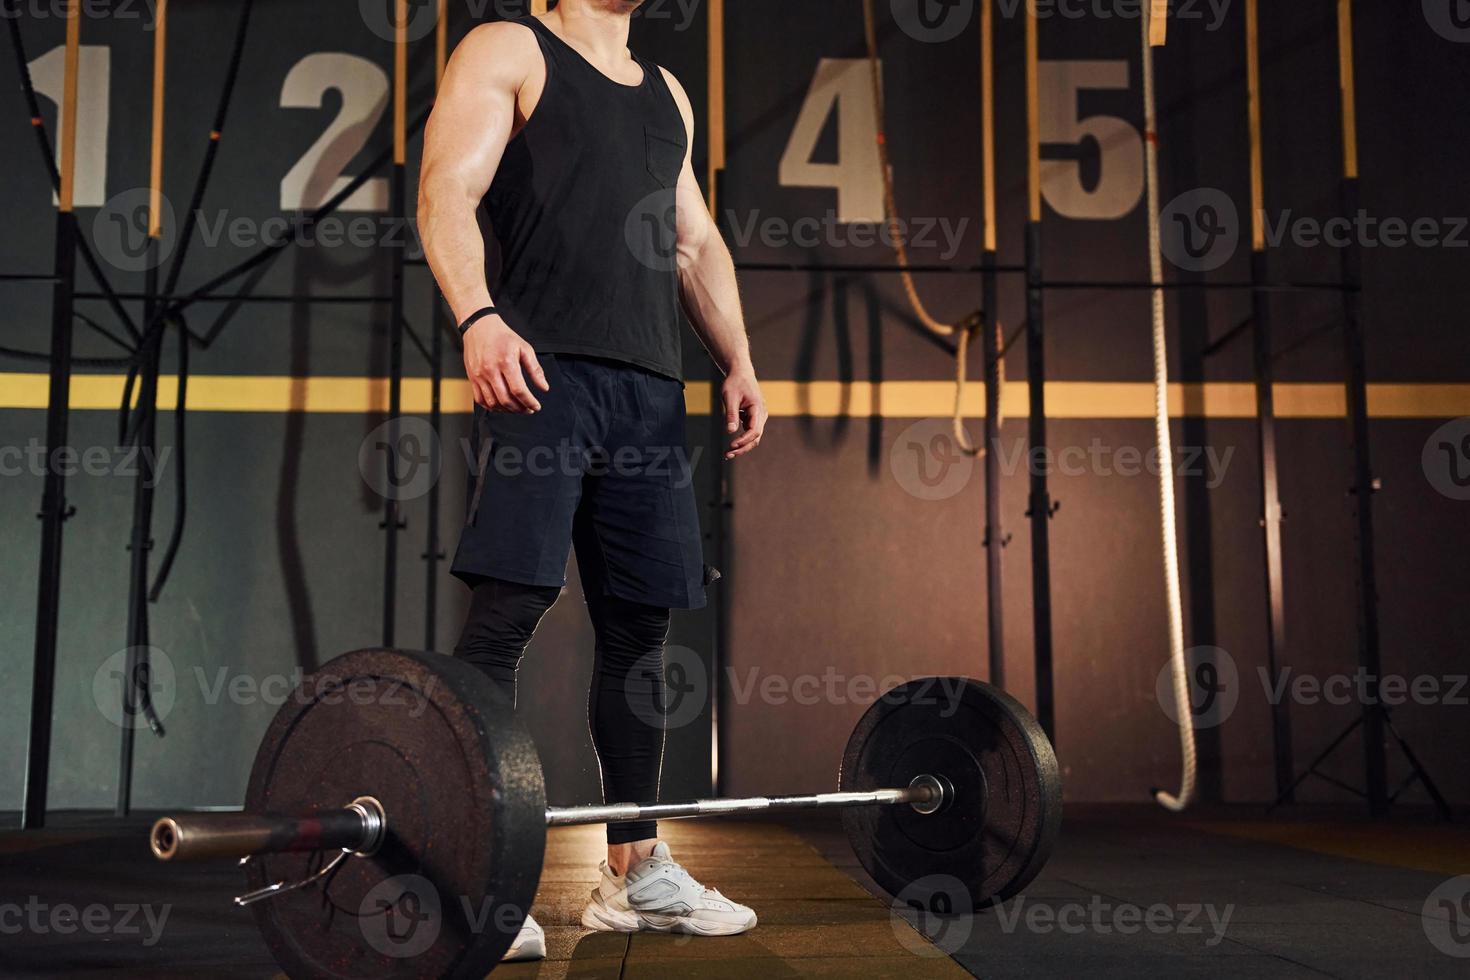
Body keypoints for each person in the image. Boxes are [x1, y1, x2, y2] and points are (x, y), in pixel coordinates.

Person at [418, 0, 767, 961]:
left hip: (650, 384)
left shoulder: (667, 94)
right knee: (507, 612)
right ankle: (473, 870)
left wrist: (736, 359)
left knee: (642, 630)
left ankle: (637, 869)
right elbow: (445, 189)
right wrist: (478, 315)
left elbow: (693, 242)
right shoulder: (508, 48)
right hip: (544, 368)